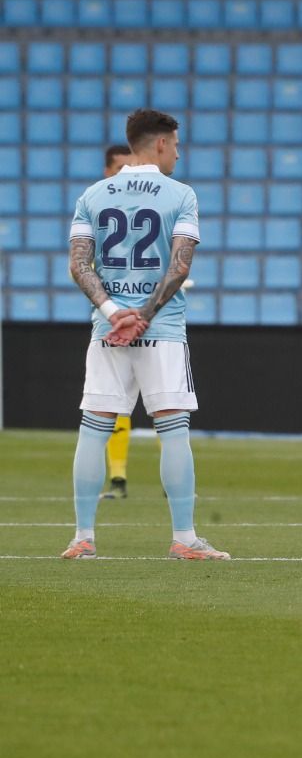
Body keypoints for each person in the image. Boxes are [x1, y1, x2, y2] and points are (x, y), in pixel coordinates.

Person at [62, 109, 228, 560]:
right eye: (175, 143)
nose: (178, 151)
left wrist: (116, 312)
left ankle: (82, 537)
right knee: (173, 430)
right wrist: (145, 314)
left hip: (107, 330)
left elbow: (79, 264)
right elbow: (180, 266)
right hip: (163, 329)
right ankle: (184, 538)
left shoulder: (93, 195)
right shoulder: (181, 194)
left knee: (94, 429)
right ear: (159, 144)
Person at [99, 143, 135, 501]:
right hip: (112, 321)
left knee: (167, 405)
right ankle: (118, 478)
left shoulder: (149, 209)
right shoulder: (96, 207)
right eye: (121, 168)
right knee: (114, 401)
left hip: (149, 321)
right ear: (108, 171)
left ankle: (179, 484)